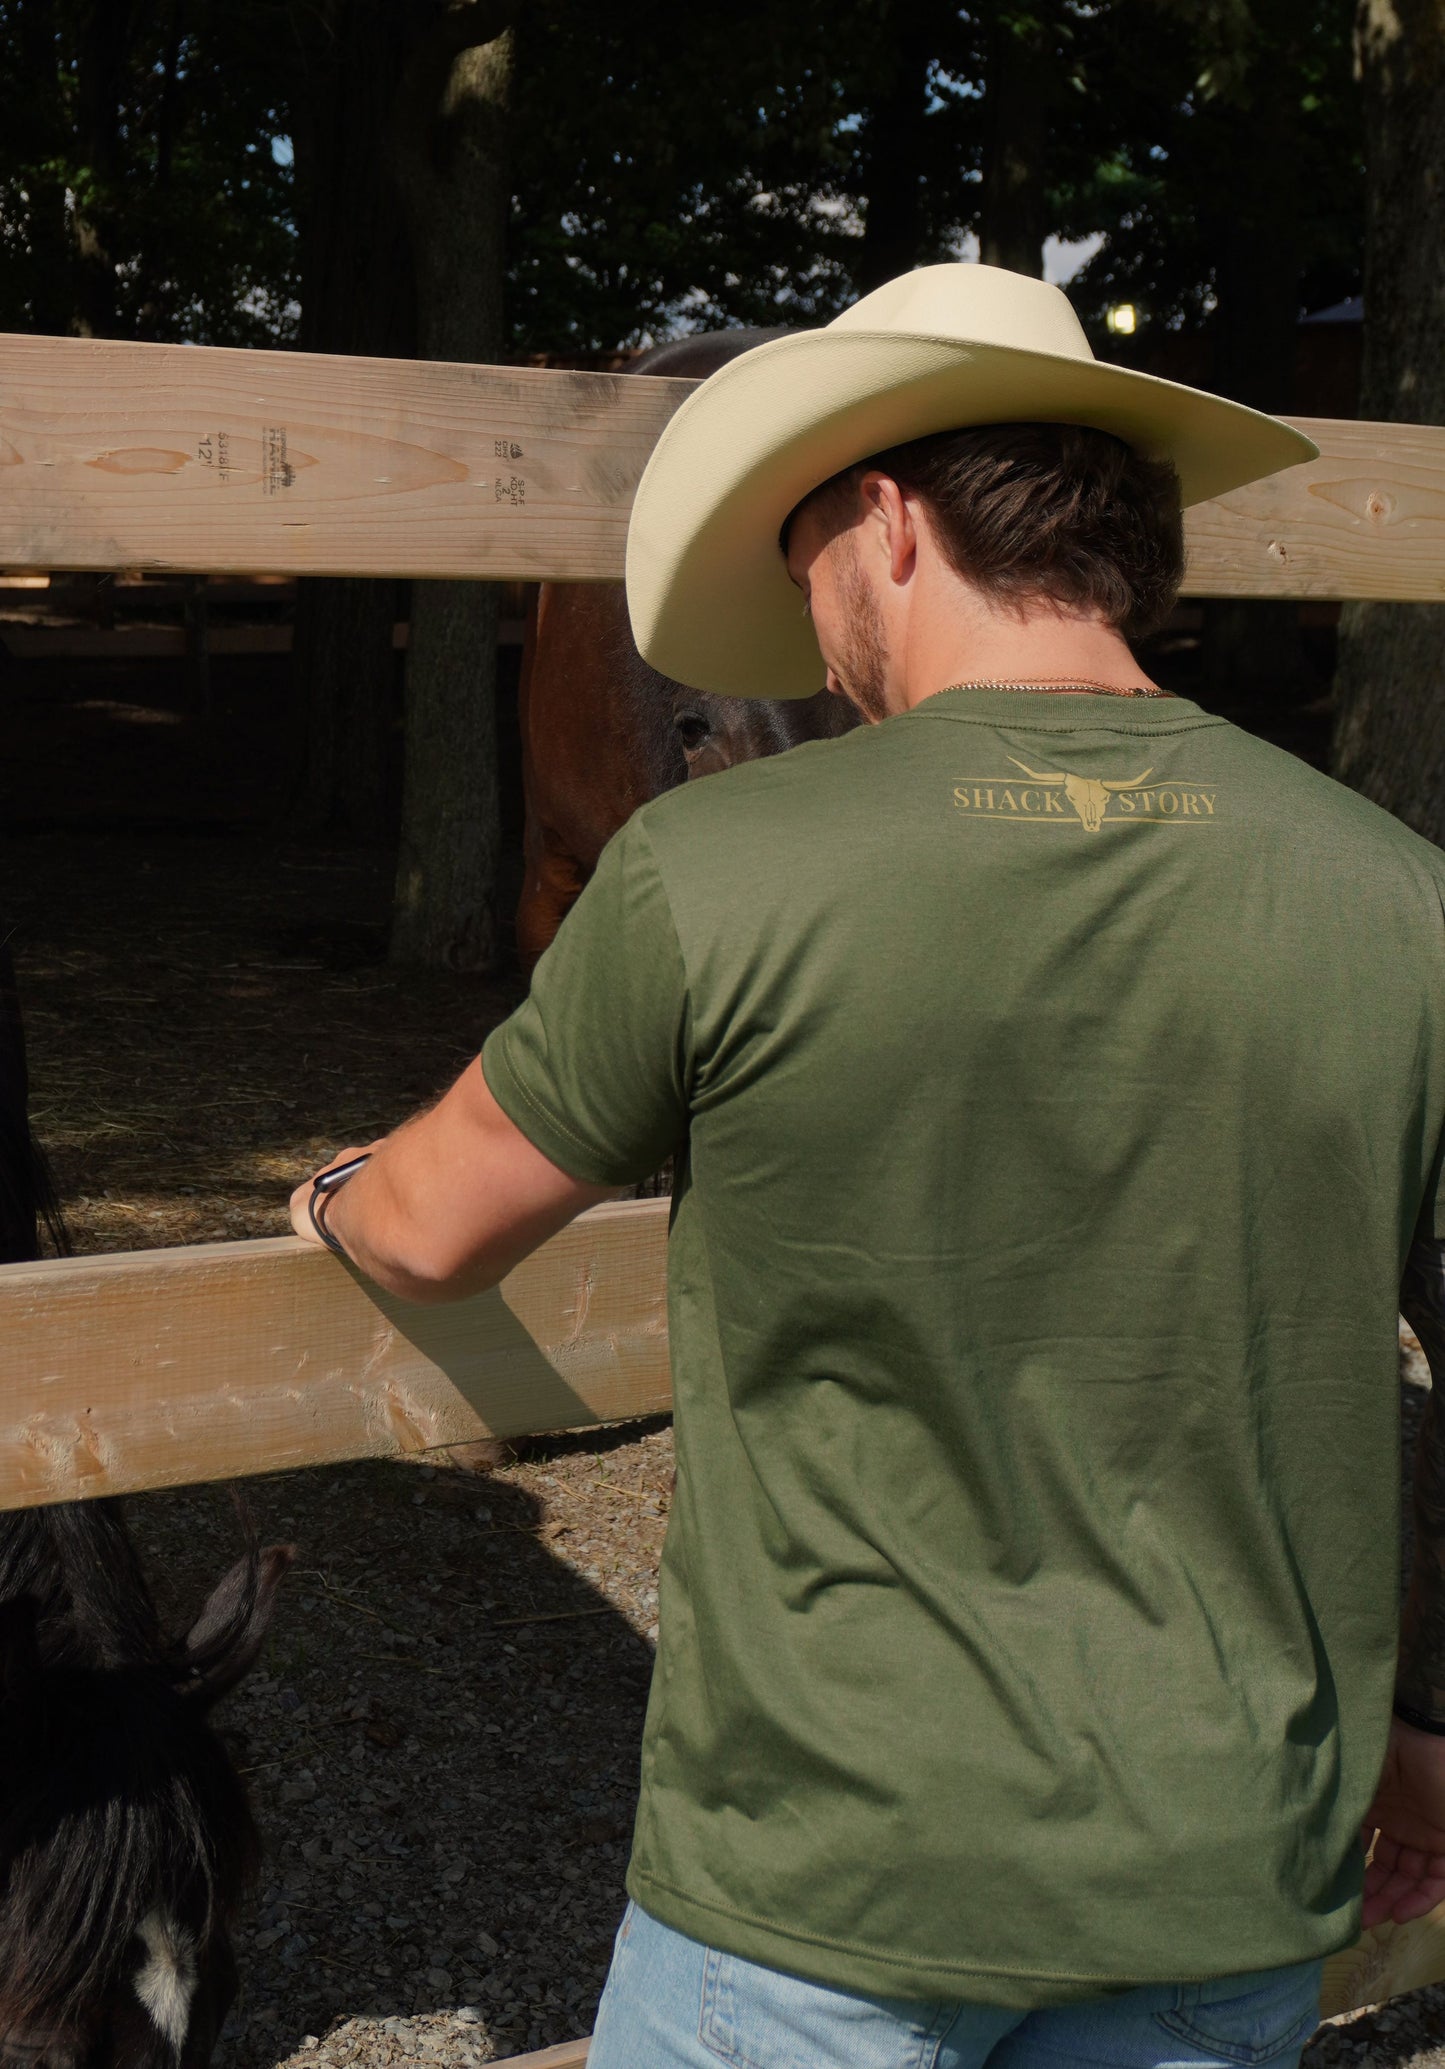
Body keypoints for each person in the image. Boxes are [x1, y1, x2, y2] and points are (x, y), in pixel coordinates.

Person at [291, 263, 1445, 2069]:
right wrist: (1428, 1717)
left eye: (804, 553)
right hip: (1223, 1871)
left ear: (892, 525)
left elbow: (433, 1226)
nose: (803, 628)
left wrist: (331, 1196)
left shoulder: (720, 871)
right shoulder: (1392, 891)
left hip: (828, 1879)